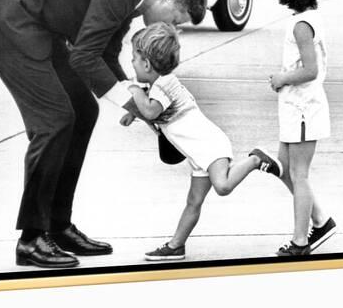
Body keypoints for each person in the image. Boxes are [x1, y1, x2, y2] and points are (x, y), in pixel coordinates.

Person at [0, 0, 208, 268]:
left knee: (84, 111)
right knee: (54, 121)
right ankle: (31, 239)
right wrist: (135, 104)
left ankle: (57, 226)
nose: (173, 28)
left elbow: (105, 54)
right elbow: (84, 57)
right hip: (8, 11)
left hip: (36, 20)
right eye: (177, 19)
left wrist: (137, 101)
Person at [119, 22, 283, 261]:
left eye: (134, 58)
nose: (132, 63)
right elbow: (150, 109)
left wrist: (133, 90)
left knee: (223, 186)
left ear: (146, 63)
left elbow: (152, 111)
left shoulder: (165, 83)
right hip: (198, 155)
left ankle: (256, 159)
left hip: (210, 146)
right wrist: (133, 112)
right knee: (193, 201)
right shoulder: (156, 85)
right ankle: (176, 246)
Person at [268, 0, 336, 256]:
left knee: (299, 174)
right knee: (285, 168)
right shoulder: (306, 18)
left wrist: (282, 78)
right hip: (297, 109)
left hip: (304, 110)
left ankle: (300, 240)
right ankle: (321, 221)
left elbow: (311, 70)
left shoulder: (301, 25)